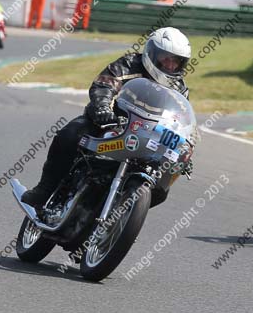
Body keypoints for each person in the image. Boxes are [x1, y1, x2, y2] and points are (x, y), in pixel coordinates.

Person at [21, 27, 193, 210]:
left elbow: (181, 121)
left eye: (176, 61)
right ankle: (45, 190)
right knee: (69, 134)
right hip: (109, 124)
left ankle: (121, 219)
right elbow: (105, 84)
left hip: (147, 139)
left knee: (160, 189)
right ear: (152, 52)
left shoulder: (180, 89)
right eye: (165, 58)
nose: (170, 65)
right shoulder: (129, 64)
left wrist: (184, 150)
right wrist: (103, 107)